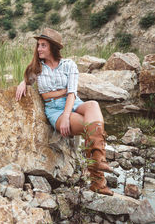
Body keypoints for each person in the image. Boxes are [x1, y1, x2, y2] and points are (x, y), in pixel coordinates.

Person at [15, 28, 113, 196]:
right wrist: (23, 83)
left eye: (43, 45)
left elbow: (72, 93)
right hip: (54, 110)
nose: (39, 49)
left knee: (93, 105)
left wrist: (67, 112)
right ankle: (98, 178)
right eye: (38, 45)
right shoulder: (36, 69)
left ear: (53, 47)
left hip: (73, 103)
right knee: (88, 126)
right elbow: (45, 95)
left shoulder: (69, 65)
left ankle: (97, 164)